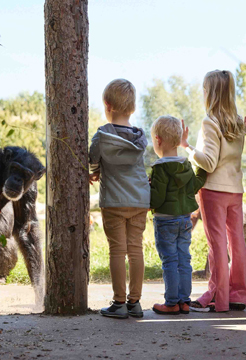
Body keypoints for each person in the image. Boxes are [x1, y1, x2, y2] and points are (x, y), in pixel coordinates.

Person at [181, 70, 246, 313]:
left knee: (217, 244)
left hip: (214, 191)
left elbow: (209, 163)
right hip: (235, 190)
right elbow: (231, 154)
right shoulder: (238, 122)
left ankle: (218, 299)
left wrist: (187, 147)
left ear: (210, 93)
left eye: (204, 89)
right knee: (237, 242)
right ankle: (238, 295)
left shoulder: (210, 122)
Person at [89, 79, 150, 319]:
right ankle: (135, 303)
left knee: (117, 250)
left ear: (107, 104)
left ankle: (119, 303)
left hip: (114, 201)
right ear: (132, 108)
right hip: (139, 201)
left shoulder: (103, 136)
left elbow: (93, 158)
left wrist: (95, 169)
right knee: (135, 249)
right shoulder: (139, 138)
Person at [149, 115, 206, 315]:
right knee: (184, 260)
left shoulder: (160, 168)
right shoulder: (186, 166)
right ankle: (184, 301)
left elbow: (156, 200)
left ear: (158, 140)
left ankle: (171, 302)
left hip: (165, 222)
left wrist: (146, 192)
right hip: (185, 220)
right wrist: (204, 171)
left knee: (170, 262)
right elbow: (195, 186)